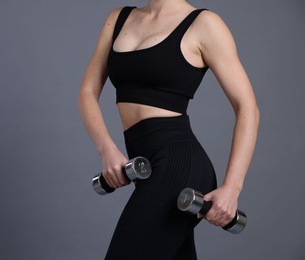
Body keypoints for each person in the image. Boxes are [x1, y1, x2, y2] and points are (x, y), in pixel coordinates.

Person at [78, 0, 259, 259]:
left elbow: (248, 108)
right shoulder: (118, 18)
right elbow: (87, 92)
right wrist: (106, 148)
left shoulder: (205, 25)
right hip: (145, 166)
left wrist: (233, 187)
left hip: (180, 166)